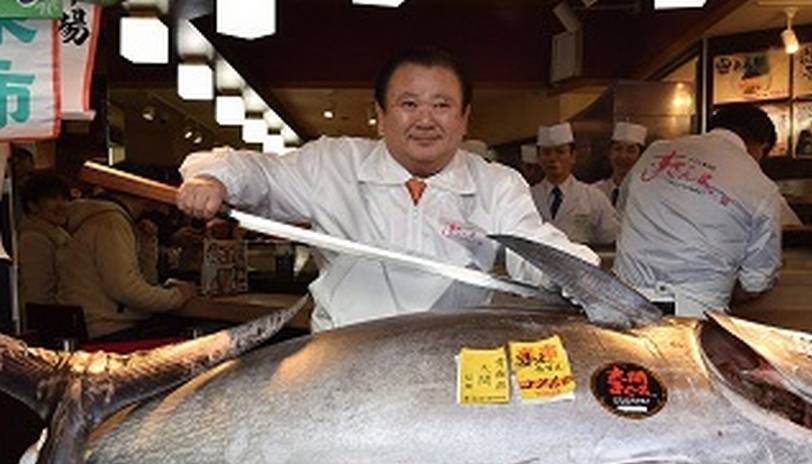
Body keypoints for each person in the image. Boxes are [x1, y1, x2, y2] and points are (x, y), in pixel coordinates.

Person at [177, 47, 597, 331]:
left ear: (465, 118)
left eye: (442, 105)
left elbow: (536, 248)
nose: (426, 119)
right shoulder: (333, 163)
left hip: (448, 362)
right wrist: (212, 177)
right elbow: (258, 174)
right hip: (340, 357)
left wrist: (585, 276)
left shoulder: (497, 184)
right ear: (380, 115)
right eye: (409, 104)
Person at [613, 104, 782, 317]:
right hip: (694, 315)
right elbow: (756, 282)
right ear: (762, 146)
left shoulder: (655, 151)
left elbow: (621, 213)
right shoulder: (762, 187)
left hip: (624, 304)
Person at [57, 188, 197, 340]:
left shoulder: (103, 219)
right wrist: (180, 296)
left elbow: (145, 282)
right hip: (107, 330)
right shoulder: (111, 221)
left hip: (91, 326)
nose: (161, 206)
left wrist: (148, 245)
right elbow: (126, 290)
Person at [531, 123, 620, 249]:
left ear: (573, 156)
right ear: (539, 158)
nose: (553, 158)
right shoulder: (528, 197)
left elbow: (612, 238)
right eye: (546, 153)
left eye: (560, 152)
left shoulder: (594, 197)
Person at [16, 173, 71, 312]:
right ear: (33, 206)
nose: (62, 205)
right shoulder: (34, 239)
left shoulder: (57, 234)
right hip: (50, 323)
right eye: (52, 198)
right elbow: (39, 295)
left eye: (64, 198)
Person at [593, 121, 647, 214]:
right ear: (609, 153)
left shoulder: (646, 193)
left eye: (631, 150)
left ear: (640, 156)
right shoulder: (595, 191)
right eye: (618, 149)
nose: (623, 156)